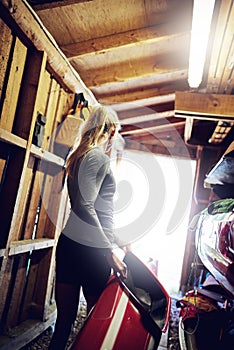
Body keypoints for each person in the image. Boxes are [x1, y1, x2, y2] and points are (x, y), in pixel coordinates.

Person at [49, 105, 127, 350]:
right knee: (97, 327)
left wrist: (119, 238)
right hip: (91, 252)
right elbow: (84, 205)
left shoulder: (80, 154)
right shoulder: (98, 157)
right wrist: (109, 251)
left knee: (64, 324)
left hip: (71, 245)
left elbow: (96, 210)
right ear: (111, 132)